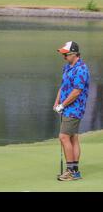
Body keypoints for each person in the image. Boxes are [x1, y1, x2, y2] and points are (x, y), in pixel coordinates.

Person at [54, 41, 89, 181]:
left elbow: (76, 91)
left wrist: (62, 105)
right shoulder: (67, 67)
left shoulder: (82, 69)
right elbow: (63, 86)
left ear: (74, 54)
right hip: (66, 106)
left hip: (75, 108)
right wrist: (57, 102)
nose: (64, 57)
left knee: (63, 137)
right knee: (73, 137)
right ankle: (75, 171)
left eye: (66, 55)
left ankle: (70, 171)